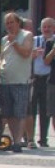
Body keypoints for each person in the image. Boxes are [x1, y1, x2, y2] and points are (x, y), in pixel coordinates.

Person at [0, 12, 32, 152]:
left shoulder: (26, 35)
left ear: (18, 23)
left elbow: (26, 53)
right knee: (9, 113)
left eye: (12, 22)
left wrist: (15, 42)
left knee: (20, 112)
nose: (10, 25)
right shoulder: (4, 39)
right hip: (6, 80)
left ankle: (18, 141)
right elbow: (2, 58)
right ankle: (14, 139)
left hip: (20, 80)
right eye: (7, 23)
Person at [28, 17, 54, 147]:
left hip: (49, 79)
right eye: (44, 27)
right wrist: (33, 54)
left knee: (46, 110)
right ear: (41, 28)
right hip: (35, 77)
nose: (47, 29)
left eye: (49, 26)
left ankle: (43, 139)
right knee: (31, 109)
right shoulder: (34, 40)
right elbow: (27, 57)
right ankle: (30, 138)